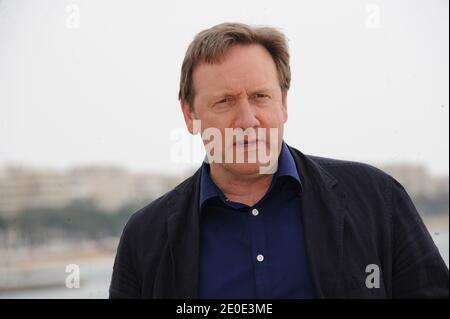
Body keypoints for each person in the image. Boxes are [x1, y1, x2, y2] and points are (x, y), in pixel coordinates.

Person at [109, 22, 449, 298]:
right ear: (190, 115)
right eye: (225, 101)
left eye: (260, 97)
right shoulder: (144, 237)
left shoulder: (378, 200)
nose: (247, 120)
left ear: (283, 103)